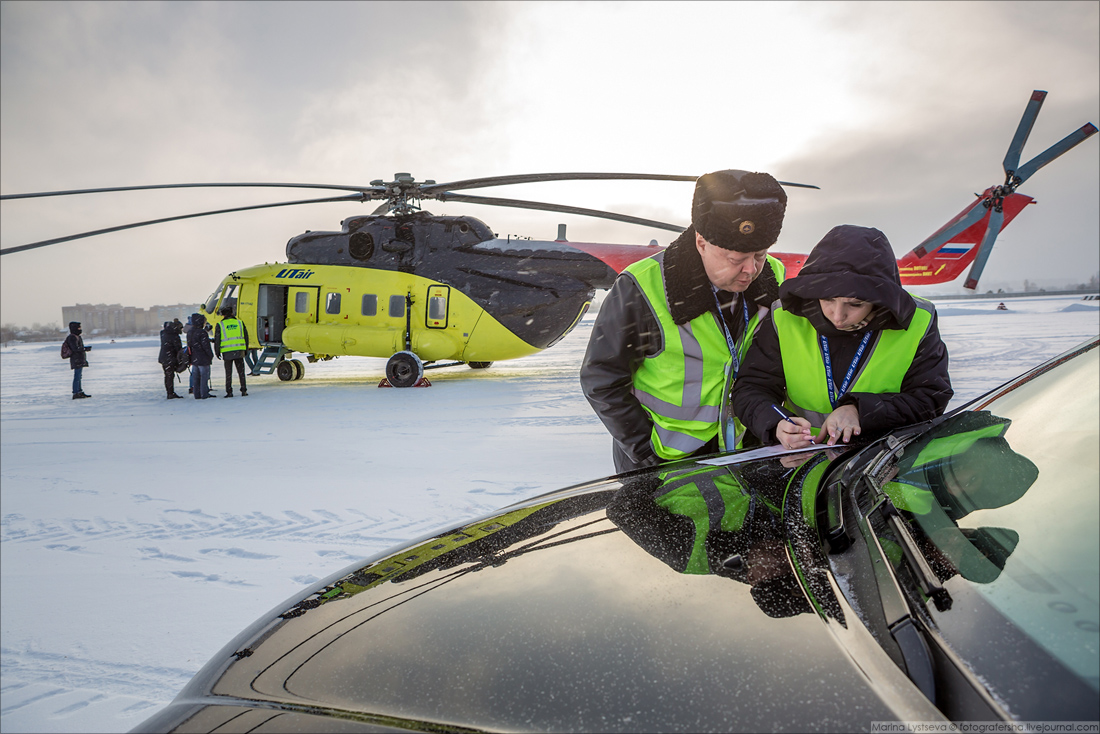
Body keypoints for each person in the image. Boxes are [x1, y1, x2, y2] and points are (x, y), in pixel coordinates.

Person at [580, 170, 789, 473]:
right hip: (665, 465)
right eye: (735, 258)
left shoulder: (774, 278)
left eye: (759, 255)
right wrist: (645, 451)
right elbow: (601, 378)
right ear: (701, 242)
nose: (750, 270)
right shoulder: (642, 286)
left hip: (745, 456)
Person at [731, 224, 953, 448]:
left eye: (855, 304)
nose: (837, 316)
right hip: (801, 461)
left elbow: (931, 398)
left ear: (880, 299)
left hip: (880, 458)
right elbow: (751, 389)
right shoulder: (785, 316)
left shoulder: (918, 320)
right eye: (827, 299)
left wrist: (861, 411)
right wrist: (776, 422)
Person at [214, 305, 249, 397]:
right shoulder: (240, 323)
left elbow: (217, 340)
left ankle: (229, 391)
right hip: (239, 351)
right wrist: (246, 350)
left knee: (228, 373)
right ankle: (243, 390)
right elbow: (246, 337)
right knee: (241, 372)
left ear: (223, 315)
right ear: (232, 313)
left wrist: (217, 352)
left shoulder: (220, 325)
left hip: (227, 352)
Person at [187, 312, 215, 399]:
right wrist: (210, 355)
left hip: (194, 358)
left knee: (196, 377)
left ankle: (197, 394)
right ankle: (204, 394)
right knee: (204, 377)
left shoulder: (190, 332)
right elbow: (206, 346)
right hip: (203, 358)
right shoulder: (202, 333)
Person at [63, 321, 93, 399]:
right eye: (79, 327)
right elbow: (75, 348)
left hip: (79, 359)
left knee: (79, 376)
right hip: (76, 359)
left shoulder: (77, 336)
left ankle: (79, 391)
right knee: (77, 376)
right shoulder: (72, 337)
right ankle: (76, 392)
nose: (80, 329)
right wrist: (84, 349)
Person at [158, 320, 185, 399]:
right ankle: (170, 393)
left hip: (164, 358)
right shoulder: (174, 336)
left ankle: (170, 392)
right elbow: (178, 349)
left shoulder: (164, 333)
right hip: (170, 358)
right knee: (169, 376)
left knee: (168, 375)